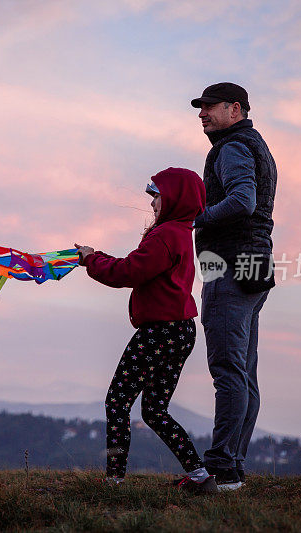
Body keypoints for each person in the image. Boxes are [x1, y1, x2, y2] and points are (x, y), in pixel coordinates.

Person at [75, 167, 216, 495]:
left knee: (117, 401)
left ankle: (113, 480)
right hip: (181, 330)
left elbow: (128, 272)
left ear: (176, 198)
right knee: (154, 410)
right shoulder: (179, 232)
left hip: (159, 333)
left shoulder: (165, 235)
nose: (152, 203)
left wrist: (91, 261)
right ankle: (199, 475)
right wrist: (95, 257)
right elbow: (134, 264)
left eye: (157, 196)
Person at [190, 82, 277, 490]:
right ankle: (234, 465)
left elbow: (243, 200)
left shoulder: (232, 148)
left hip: (228, 266)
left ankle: (223, 468)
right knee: (244, 373)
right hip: (254, 265)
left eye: (210, 106)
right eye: (200, 108)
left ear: (235, 109)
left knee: (228, 370)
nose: (202, 113)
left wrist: (198, 217)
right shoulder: (255, 144)